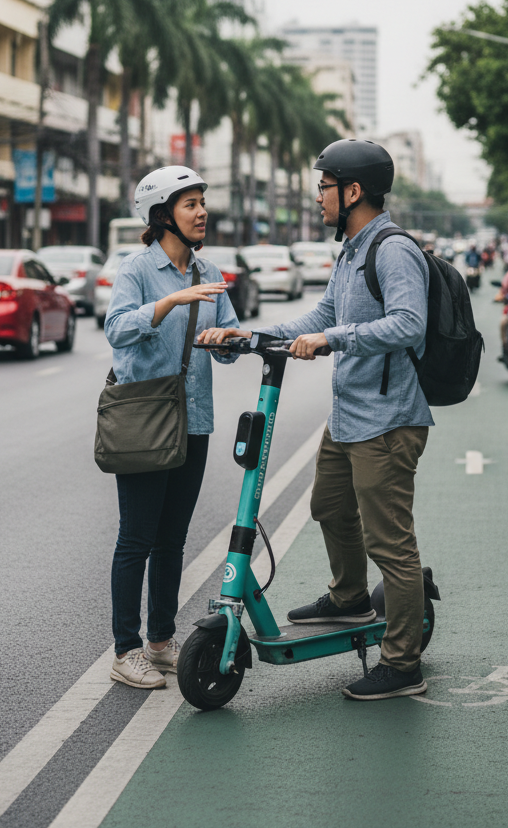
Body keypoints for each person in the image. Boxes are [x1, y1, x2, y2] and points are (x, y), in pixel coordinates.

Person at [210, 139, 433, 701]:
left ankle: (403, 663)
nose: (318, 197)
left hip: (387, 420)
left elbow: (409, 323)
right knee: (328, 505)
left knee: (392, 545)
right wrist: (257, 335)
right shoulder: (352, 250)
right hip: (351, 415)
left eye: (324, 186)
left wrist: (332, 341)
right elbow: (324, 314)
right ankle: (350, 595)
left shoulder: (393, 249)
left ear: (353, 191)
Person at [104, 166, 240, 689]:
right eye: (190, 204)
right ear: (163, 216)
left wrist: (227, 341)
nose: (202, 211)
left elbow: (225, 346)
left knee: (173, 538)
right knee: (135, 537)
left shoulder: (208, 272)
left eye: (203, 202)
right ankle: (126, 649)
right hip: (145, 417)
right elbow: (116, 329)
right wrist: (167, 304)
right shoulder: (138, 270)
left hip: (194, 418)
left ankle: (161, 642)